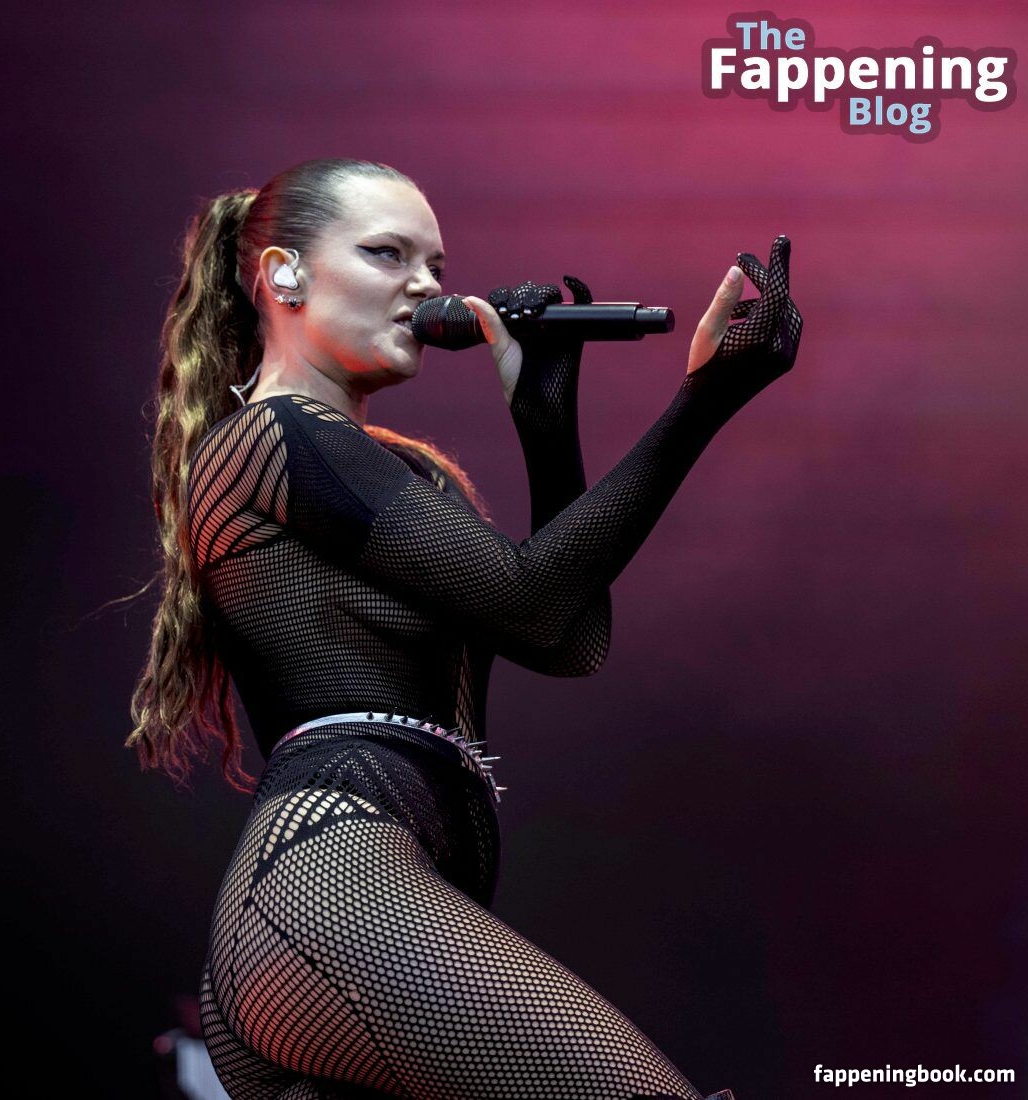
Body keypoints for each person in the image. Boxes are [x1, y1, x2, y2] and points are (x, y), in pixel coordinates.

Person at [126, 157, 800, 1100]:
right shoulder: (275, 438)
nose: (425, 286)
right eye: (387, 254)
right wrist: (705, 399)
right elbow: (532, 599)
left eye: (435, 265)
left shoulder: (398, 469)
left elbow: (562, 637)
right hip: (327, 895)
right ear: (283, 275)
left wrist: (544, 420)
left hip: (338, 920)